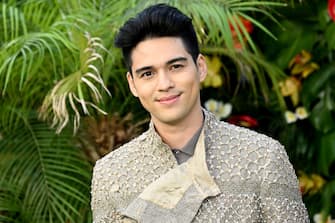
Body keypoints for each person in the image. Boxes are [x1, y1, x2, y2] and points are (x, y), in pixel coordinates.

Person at [91, 3, 309, 223]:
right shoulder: (111, 174)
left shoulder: (262, 158)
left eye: (176, 66)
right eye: (148, 73)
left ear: (200, 67)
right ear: (133, 84)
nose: (164, 84)